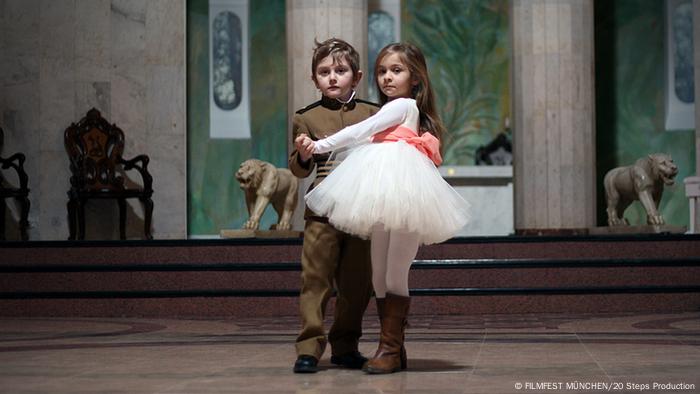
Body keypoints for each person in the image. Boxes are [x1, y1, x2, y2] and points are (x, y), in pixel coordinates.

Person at [298, 42, 470, 374]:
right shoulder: (388, 109)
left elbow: (360, 130)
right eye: (382, 71)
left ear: (415, 78)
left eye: (396, 70)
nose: (387, 77)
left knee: (393, 272)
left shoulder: (401, 105)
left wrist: (320, 144)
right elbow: (367, 138)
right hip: (379, 188)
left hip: (404, 189)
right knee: (378, 273)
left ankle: (390, 347)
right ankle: (392, 346)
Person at [289, 38, 380, 374]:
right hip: (322, 212)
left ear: (355, 77)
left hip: (361, 211)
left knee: (357, 283)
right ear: (314, 79)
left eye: (340, 71)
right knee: (315, 280)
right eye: (324, 72)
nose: (332, 77)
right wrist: (303, 153)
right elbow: (299, 170)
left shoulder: (373, 113)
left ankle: (345, 346)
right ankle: (309, 347)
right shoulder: (306, 117)